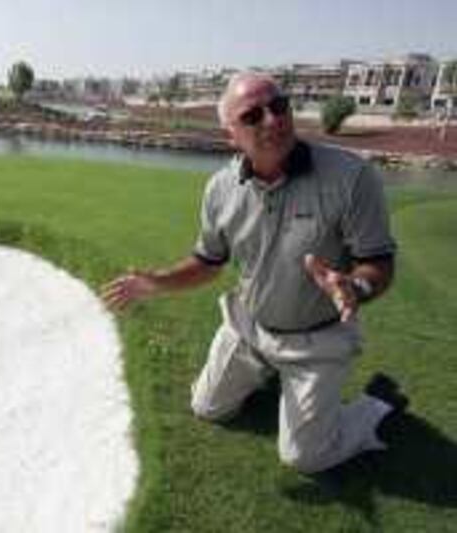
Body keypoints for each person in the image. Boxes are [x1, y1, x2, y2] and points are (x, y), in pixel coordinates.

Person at [101, 72, 408, 474]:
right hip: (250, 328)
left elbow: (379, 262)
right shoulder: (221, 189)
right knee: (206, 407)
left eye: (279, 106)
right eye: (253, 115)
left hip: (317, 338)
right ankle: (268, 375)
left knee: (305, 457)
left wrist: (356, 286)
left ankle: (375, 404)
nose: (272, 119)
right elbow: (208, 263)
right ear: (232, 135)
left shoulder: (350, 177)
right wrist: (157, 281)